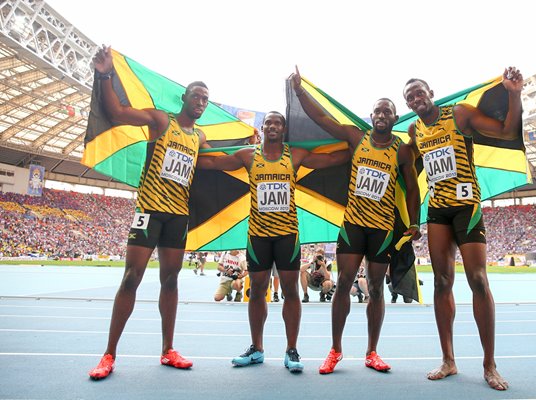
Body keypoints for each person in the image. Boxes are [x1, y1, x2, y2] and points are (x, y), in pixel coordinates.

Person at [88, 45, 210, 380]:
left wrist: (252, 143)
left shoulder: (199, 138)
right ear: (183, 98)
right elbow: (117, 112)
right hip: (150, 211)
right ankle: (109, 354)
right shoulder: (160, 120)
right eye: (196, 96)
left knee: (170, 281)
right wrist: (106, 74)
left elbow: (222, 161)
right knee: (131, 278)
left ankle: (168, 350)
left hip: (178, 217)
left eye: (205, 100)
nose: (200, 102)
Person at [197, 111, 350, 373]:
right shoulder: (248, 156)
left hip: (287, 236)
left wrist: (358, 148)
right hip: (258, 236)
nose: (273, 126)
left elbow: (332, 158)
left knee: (291, 291)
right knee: (256, 290)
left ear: (284, 129)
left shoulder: (296, 155)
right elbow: (213, 164)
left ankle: (291, 349)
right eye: (268, 122)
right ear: (263, 127)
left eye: (278, 122)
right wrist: (195, 145)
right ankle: (256, 348)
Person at [291, 67, 421, 374]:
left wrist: (414, 222)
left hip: (383, 230)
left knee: (376, 288)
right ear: (372, 115)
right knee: (344, 285)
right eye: (377, 110)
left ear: (394, 117)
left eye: (387, 111)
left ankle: (372, 352)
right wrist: (300, 91)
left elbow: (413, 187)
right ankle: (335, 350)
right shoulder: (356, 137)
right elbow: (323, 119)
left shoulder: (401, 151)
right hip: (353, 227)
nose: (381, 114)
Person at [402, 67, 523, 391]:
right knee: (442, 282)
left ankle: (489, 364)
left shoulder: (458, 114)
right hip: (438, 210)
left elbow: (508, 131)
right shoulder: (414, 131)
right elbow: (409, 171)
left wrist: (513, 93)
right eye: (409, 96)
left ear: (430, 92)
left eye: (419, 91)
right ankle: (449, 360)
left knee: (478, 280)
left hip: (466, 207)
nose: (415, 98)